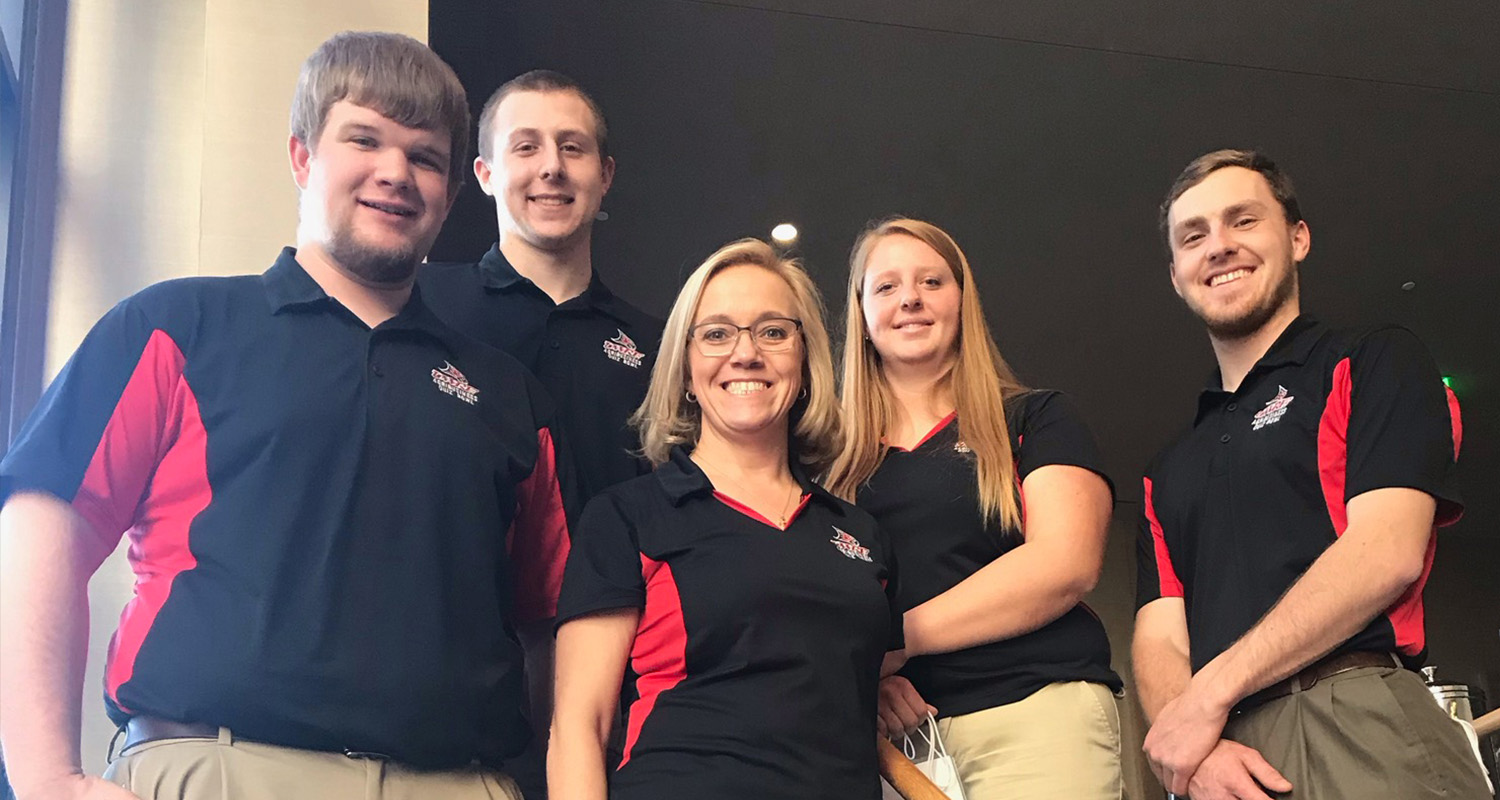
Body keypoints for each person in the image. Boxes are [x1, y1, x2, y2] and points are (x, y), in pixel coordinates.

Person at [0, 32, 572, 800]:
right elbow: (43, 524)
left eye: (425, 156)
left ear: (449, 192)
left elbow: (550, 624)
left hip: (458, 783)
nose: (395, 173)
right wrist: (43, 780)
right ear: (303, 157)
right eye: (363, 139)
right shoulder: (177, 327)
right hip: (215, 771)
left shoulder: (507, 395)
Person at [1134, 149, 1489, 800]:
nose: (1218, 247)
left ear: (1297, 237)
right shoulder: (1167, 468)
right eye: (1194, 236)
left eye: (1243, 221)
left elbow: (1387, 551)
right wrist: (1191, 741)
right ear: (1177, 275)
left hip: (1355, 715)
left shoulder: (1376, 359)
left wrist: (1208, 695)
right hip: (1218, 761)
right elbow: (1159, 629)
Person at [547, 239, 903, 800]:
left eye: (773, 331)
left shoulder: (862, 536)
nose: (746, 354)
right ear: (687, 371)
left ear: (805, 360)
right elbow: (578, 726)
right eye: (716, 333)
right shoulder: (627, 517)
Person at [827, 218, 1122, 799]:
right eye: (885, 286)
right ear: (860, 316)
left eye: (931, 281)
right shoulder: (827, 468)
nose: (910, 297)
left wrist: (890, 645)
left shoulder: (1035, 418)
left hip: (1036, 713)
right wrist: (866, 680)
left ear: (964, 303)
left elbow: (1067, 562)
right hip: (898, 745)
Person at [420, 69, 662, 502]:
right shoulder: (420, 305)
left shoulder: (658, 348)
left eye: (572, 147)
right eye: (526, 147)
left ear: (605, 176)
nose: (552, 167)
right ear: (485, 174)